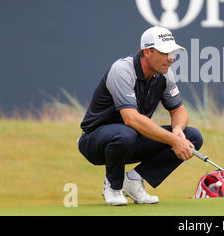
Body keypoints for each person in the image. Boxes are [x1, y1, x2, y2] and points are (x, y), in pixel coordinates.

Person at [78, 26, 203, 206]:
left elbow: (178, 110)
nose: (170, 58)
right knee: (125, 133)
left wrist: (177, 131)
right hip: (95, 142)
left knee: (192, 137)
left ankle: (134, 180)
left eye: (172, 52)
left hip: (130, 140)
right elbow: (131, 118)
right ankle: (113, 186)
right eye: (165, 52)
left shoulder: (164, 74)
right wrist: (173, 141)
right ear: (147, 51)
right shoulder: (122, 70)